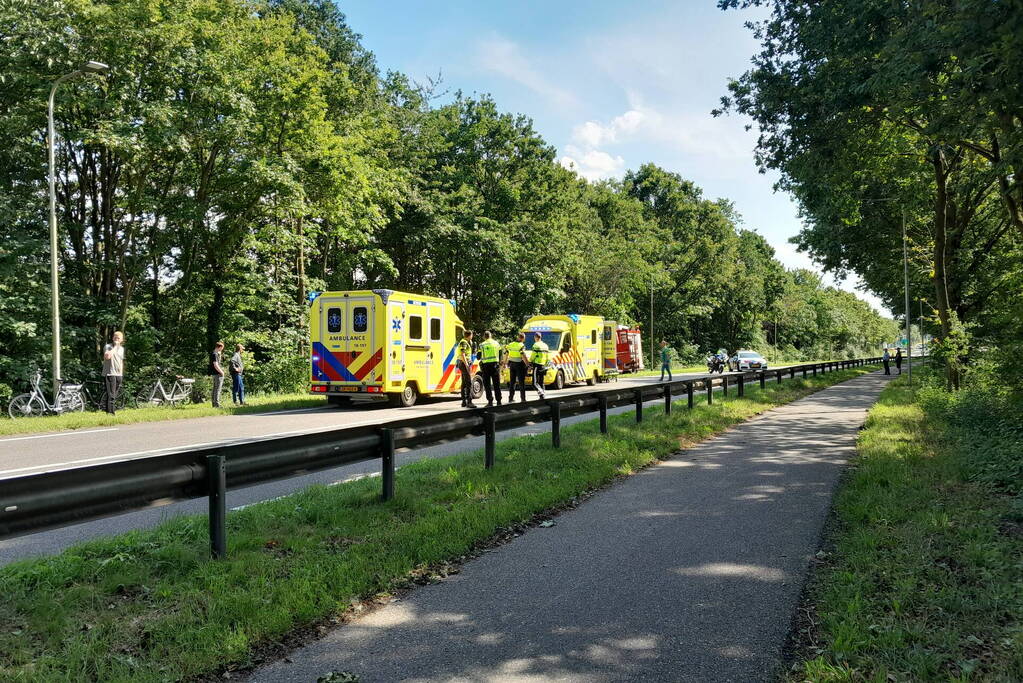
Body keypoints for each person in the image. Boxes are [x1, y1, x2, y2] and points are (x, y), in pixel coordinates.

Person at [101, 330, 125, 415]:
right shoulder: (108, 346)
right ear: (112, 338)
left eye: (118, 338)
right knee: (111, 394)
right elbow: (107, 356)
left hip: (118, 374)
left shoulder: (122, 349)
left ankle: (107, 411)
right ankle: (111, 413)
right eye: (115, 337)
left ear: (121, 340)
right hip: (110, 373)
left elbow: (121, 361)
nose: (116, 339)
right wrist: (115, 347)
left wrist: (121, 374)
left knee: (113, 394)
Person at [478, 331, 502, 407]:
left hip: (486, 366)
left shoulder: (482, 345)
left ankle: (490, 401)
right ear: (490, 336)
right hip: (495, 365)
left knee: (487, 384)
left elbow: (478, 357)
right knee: (496, 384)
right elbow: (500, 354)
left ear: (484, 337)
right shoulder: (496, 343)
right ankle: (499, 401)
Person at [505, 332, 529, 403]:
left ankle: (510, 398)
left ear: (518, 337)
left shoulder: (510, 344)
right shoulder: (522, 345)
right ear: (523, 338)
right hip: (519, 365)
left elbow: (506, 354)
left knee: (512, 382)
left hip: (512, 364)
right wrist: (527, 364)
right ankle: (523, 399)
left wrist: (505, 363)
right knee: (521, 382)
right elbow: (523, 355)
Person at [457, 330, 475, 408]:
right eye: (472, 335)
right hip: (464, 363)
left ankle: (464, 402)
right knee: (469, 383)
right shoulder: (464, 342)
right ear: (469, 335)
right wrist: (467, 364)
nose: (472, 336)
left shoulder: (465, 342)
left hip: (463, 363)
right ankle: (469, 402)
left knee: (464, 383)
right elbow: (463, 353)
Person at [529, 332, 550, 399]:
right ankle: (542, 396)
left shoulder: (536, 345)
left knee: (534, 383)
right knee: (541, 381)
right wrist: (547, 364)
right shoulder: (545, 345)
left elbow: (533, 356)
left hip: (537, 365)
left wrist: (530, 362)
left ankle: (542, 392)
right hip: (544, 365)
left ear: (535, 337)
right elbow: (548, 357)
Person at [209, 341, 225, 407]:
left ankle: (214, 404)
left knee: (215, 389)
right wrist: (221, 372)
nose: (222, 349)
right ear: (220, 347)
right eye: (222, 348)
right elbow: (215, 364)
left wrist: (220, 354)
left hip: (214, 373)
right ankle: (217, 404)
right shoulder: (215, 355)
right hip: (218, 374)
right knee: (218, 389)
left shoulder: (213, 353)